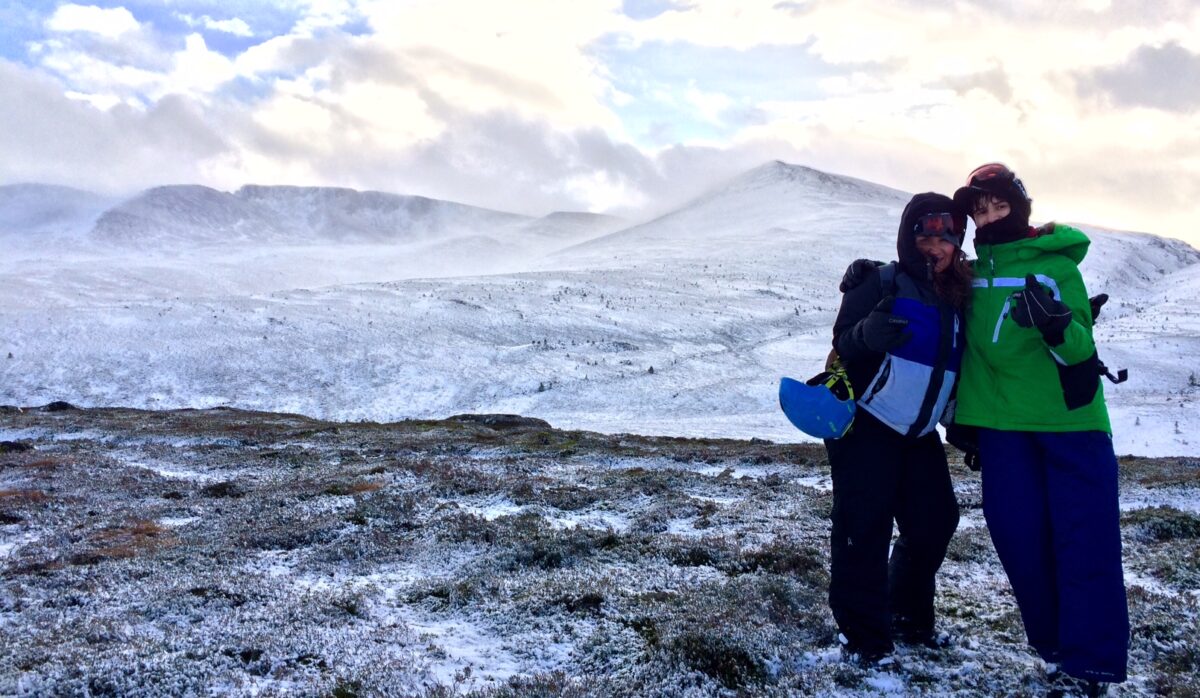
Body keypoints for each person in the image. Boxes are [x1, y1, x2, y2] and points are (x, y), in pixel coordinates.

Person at [948, 163, 1128, 696]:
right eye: (979, 208)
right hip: (1003, 430)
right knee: (1019, 539)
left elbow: (1079, 349)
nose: (988, 214)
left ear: (1019, 207)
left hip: (1068, 424)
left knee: (1084, 539)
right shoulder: (971, 275)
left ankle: (1091, 665)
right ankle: (1054, 649)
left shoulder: (1054, 266)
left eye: (998, 204)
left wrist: (1055, 323)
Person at [825, 192, 968, 665]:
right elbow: (842, 342)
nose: (935, 246)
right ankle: (864, 638)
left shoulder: (961, 294)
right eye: (924, 235)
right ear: (909, 238)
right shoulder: (879, 280)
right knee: (862, 529)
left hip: (919, 432)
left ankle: (906, 617)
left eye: (946, 237)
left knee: (935, 522)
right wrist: (867, 334)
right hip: (867, 422)